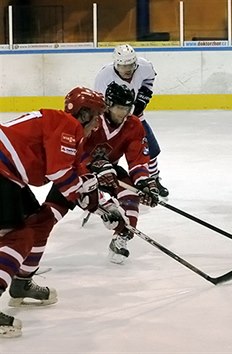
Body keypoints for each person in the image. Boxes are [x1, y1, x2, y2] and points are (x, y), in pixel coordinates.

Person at [0, 87, 112, 338]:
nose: (97, 124)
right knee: (18, 238)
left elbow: (77, 169)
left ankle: (21, 285)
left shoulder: (69, 131)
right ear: (84, 114)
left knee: (38, 223)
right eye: (95, 117)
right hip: (2, 172)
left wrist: (103, 203)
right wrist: (85, 197)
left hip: (8, 175)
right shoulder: (66, 125)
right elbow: (59, 173)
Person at [82, 81, 160, 264]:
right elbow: (74, 148)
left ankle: (121, 238)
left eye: (127, 108)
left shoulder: (133, 125)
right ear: (108, 104)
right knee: (56, 208)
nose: (123, 113)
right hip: (80, 170)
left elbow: (137, 159)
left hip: (109, 168)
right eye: (119, 108)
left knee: (131, 194)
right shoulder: (93, 119)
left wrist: (144, 183)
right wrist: (92, 164)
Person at [94, 44, 169, 198]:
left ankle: (152, 179)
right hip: (113, 119)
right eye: (123, 66)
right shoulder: (104, 76)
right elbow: (99, 103)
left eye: (130, 65)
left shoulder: (144, 66)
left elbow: (149, 78)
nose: (127, 69)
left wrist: (143, 96)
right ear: (116, 64)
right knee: (105, 152)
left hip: (134, 116)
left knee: (151, 150)